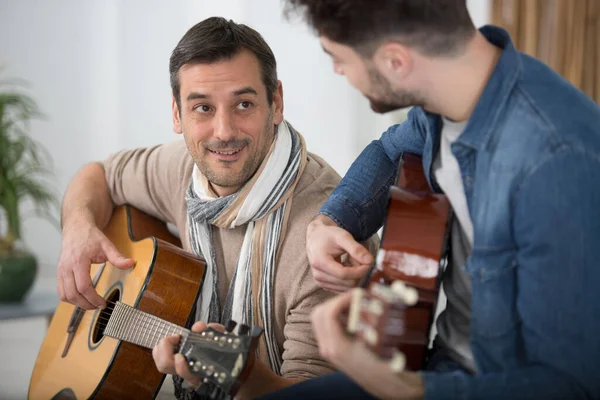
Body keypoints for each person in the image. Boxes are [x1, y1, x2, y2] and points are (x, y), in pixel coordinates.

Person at [259, 1, 600, 399]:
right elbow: (389, 151)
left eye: (339, 58)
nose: (338, 72)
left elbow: (571, 385)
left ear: (395, 61)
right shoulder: (448, 100)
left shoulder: (556, 160)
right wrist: (330, 222)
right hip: (438, 366)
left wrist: (400, 386)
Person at [56, 17, 377, 400]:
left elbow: (309, 394)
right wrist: (77, 229)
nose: (224, 131)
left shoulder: (328, 238)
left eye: (243, 104)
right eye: (203, 108)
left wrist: (243, 377)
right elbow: (101, 175)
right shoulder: (183, 170)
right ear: (177, 115)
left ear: (276, 103)